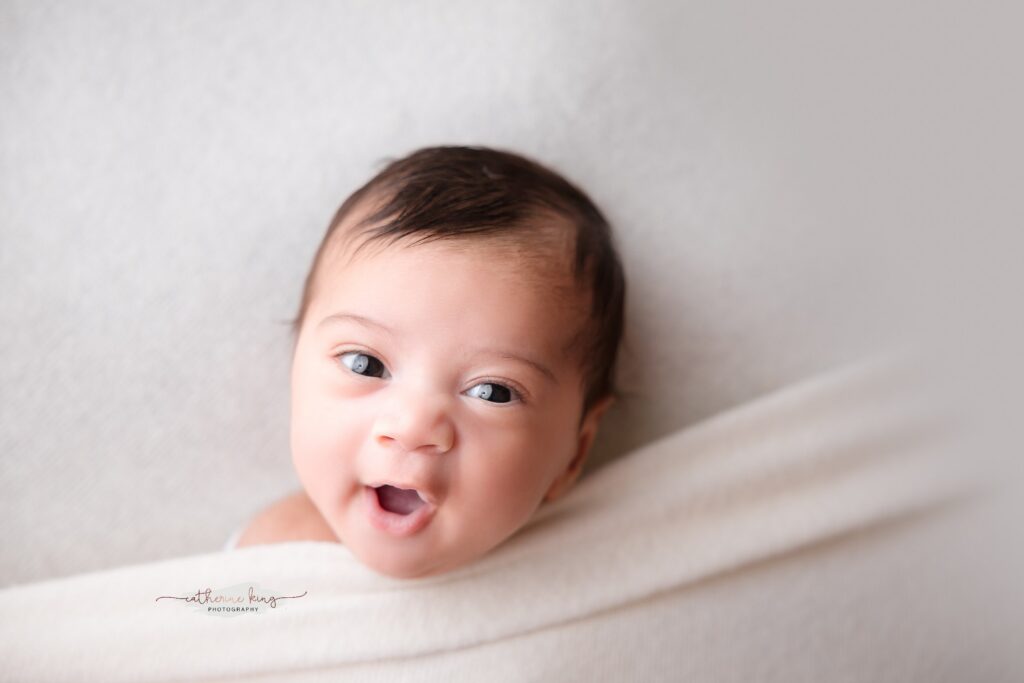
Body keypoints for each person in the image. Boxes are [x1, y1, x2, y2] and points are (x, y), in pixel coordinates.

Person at [231, 145, 626, 579]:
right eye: (365, 364)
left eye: (492, 392)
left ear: (575, 451)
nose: (413, 427)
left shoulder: (608, 560)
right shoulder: (268, 560)